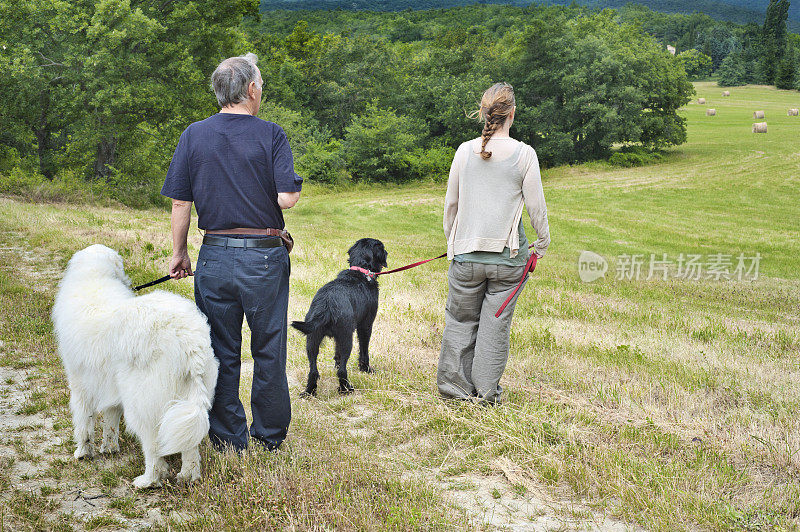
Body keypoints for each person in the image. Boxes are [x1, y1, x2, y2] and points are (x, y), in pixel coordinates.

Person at [161, 53, 302, 451]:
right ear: (252, 89)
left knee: (220, 351)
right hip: (263, 257)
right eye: (262, 85)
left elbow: (179, 204)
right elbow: (287, 198)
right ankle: (269, 438)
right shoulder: (271, 134)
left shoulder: (193, 134)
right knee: (268, 347)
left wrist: (179, 254)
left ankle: (228, 438)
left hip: (214, 255)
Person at [438, 82, 550, 405]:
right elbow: (536, 209)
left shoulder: (463, 152)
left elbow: (451, 207)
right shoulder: (525, 155)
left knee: (460, 322)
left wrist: (453, 242)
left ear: (484, 114)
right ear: (512, 114)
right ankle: (486, 394)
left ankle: (454, 390)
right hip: (508, 260)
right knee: (494, 327)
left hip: (465, 259)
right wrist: (542, 244)